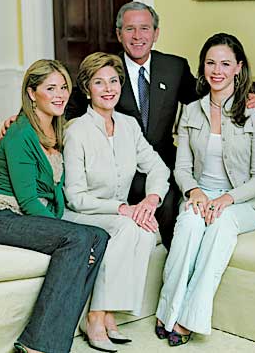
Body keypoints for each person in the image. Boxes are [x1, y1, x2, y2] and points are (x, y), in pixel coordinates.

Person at [65, 1, 255, 250]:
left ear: (156, 33)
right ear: (118, 34)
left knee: (170, 201)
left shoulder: (174, 67)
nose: (138, 36)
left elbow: (207, 95)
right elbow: (65, 105)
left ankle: (171, 263)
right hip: (120, 171)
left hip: (163, 165)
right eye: (129, 29)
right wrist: (21, 119)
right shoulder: (107, 72)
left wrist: (248, 96)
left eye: (145, 28)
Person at [0, 59, 109, 353]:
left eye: (63, 87)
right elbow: (27, 200)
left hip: (25, 218)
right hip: (0, 216)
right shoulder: (20, 133)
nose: (59, 94)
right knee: (77, 238)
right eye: (50, 88)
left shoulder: (58, 128)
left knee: (98, 236)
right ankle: (40, 345)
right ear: (31, 92)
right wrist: (66, 232)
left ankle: (47, 339)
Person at [155, 33, 255, 347]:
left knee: (219, 226)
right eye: (210, 63)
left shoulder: (254, 113)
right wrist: (194, 192)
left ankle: (187, 319)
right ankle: (167, 310)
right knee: (190, 225)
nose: (216, 70)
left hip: (242, 201)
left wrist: (226, 199)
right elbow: (181, 168)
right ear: (202, 67)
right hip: (201, 194)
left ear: (238, 68)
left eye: (225, 63)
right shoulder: (192, 110)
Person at [62, 52, 170, 352]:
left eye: (113, 81)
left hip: (117, 214)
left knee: (146, 229)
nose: (108, 88)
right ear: (87, 89)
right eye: (99, 82)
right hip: (81, 214)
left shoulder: (129, 125)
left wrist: (150, 199)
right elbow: (75, 197)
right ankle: (96, 316)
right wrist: (123, 209)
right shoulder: (76, 131)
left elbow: (159, 168)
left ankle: (110, 313)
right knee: (127, 227)